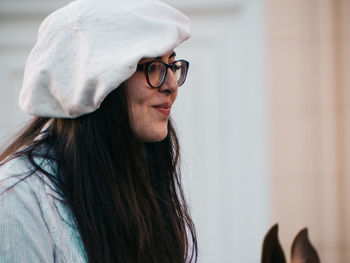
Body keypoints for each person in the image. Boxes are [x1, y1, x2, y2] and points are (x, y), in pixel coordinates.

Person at [0, 0, 198, 262]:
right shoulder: (17, 202)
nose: (171, 85)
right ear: (95, 81)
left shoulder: (136, 178)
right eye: (152, 67)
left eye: (172, 65)